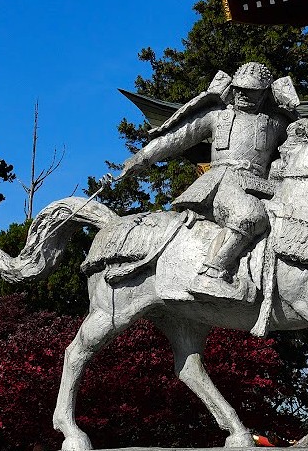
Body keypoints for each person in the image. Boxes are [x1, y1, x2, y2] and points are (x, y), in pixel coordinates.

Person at [120, 62, 294, 300]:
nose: (242, 94)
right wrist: (141, 158)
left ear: (264, 92)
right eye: (239, 88)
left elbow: (299, 147)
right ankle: (211, 273)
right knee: (249, 216)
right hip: (225, 181)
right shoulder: (217, 117)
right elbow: (176, 138)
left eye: (250, 90)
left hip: (265, 187)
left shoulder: (276, 124)